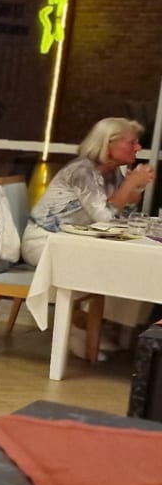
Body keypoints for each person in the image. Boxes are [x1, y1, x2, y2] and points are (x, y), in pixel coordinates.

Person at [23, 116, 155, 355]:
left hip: (75, 240)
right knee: (107, 266)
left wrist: (133, 189)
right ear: (109, 143)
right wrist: (129, 186)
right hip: (45, 241)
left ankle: (102, 325)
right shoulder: (82, 171)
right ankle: (79, 329)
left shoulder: (112, 172)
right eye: (132, 142)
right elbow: (105, 218)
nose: (138, 147)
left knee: (135, 265)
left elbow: (122, 215)